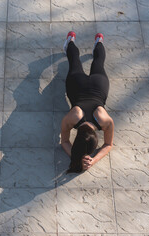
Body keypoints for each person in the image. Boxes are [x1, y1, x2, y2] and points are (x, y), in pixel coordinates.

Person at [60, 31, 114, 173]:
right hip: (77, 85)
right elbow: (64, 142)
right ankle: (71, 40)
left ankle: (98, 40)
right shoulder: (73, 118)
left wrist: (89, 159)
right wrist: (89, 159)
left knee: (98, 63)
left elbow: (108, 144)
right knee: (75, 63)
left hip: (99, 85)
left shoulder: (105, 121)